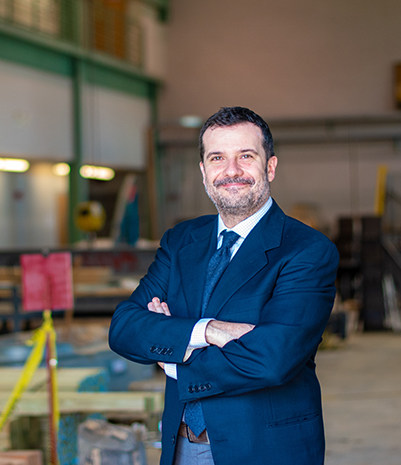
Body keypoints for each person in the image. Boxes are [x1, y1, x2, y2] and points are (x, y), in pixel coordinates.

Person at [109, 106, 339, 465]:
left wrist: (172, 354)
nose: (231, 171)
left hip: (266, 448)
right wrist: (208, 331)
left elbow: (272, 359)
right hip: (183, 446)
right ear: (203, 172)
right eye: (217, 158)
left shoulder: (307, 250)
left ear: (270, 166)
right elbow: (124, 327)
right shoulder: (180, 241)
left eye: (245, 156)